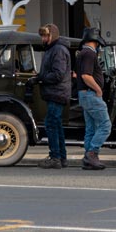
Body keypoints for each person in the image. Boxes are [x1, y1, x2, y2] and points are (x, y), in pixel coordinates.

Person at [35, 24, 72, 169]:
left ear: (52, 36)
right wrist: (39, 77)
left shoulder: (58, 50)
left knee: (51, 124)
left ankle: (55, 157)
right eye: (42, 36)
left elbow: (58, 74)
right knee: (56, 125)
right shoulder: (53, 49)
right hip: (56, 92)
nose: (43, 39)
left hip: (57, 92)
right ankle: (61, 158)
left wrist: (40, 78)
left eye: (45, 36)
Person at [75, 26, 111, 170]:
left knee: (91, 128)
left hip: (83, 94)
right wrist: (98, 89)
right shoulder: (90, 54)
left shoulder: (81, 53)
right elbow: (86, 75)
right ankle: (92, 153)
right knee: (105, 126)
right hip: (91, 93)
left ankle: (88, 158)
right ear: (95, 41)